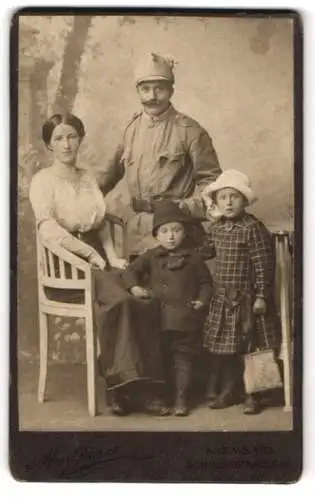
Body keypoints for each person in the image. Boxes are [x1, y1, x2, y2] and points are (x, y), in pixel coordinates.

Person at [29, 113, 164, 416]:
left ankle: (150, 387)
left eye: (71, 136)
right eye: (59, 138)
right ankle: (120, 390)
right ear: (49, 145)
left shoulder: (87, 177)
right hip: (65, 263)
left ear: (80, 138)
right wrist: (89, 257)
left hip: (98, 258)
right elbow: (49, 231)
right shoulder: (43, 181)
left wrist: (112, 256)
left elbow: (100, 223)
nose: (66, 144)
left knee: (144, 296)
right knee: (120, 301)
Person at [102, 52, 222, 258]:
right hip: (137, 234)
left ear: (171, 91)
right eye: (145, 89)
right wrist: (77, 201)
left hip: (176, 233)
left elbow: (213, 188)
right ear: (137, 91)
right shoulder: (130, 130)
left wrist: (181, 209)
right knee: (138, 287)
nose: (152, 96)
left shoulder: (190, 131)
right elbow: (106, 176)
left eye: (160, 88)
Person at [122, 200, 213, 416]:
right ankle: (160, 396)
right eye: (164, 231)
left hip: (185, 319)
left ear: (185, 232)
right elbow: (129, 272)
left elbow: (206, 283)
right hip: (158, 319)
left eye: (176, 230)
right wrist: (134, 287)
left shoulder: (194, 257)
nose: (171, 236)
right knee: (159, 358)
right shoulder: (151, 256)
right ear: (157, 235)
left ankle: (181, 398)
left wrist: (201, 301)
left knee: (183, 359)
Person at [201, 170, 281, 415]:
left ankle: (253, 394)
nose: (228, 202)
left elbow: (263, 264)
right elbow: (206, 252)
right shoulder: (217, 228)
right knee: (227, 348)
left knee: (251, 346)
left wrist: (261, 296)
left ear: (244, 201)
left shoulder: (252, 228)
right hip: (224, 297)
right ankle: (230, 389)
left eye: (234, 197)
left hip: (247, 299)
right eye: (223, 197)